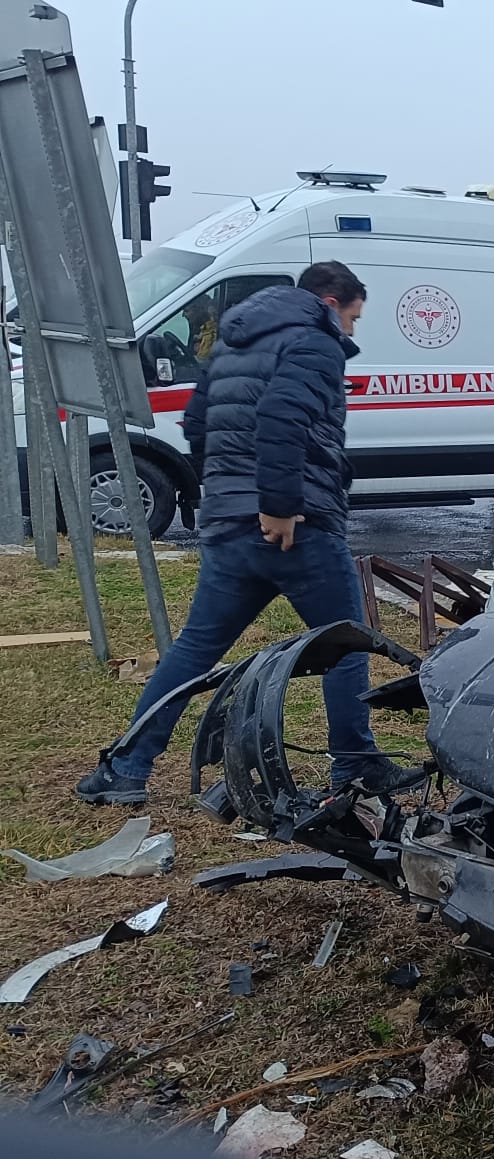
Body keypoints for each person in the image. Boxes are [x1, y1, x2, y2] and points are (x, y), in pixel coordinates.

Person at [77, 263, 396, 805]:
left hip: (230, 527)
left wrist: (227, 489)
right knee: (345, 645)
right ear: (331, 301)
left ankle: (125, 769)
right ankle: (356, 764)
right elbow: (281, 418)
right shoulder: (314, 343)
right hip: (295, 528)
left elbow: (197, 422)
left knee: (193, 650)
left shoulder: (235, 342)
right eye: (353, 317)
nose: (352, 332)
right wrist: (277, 505)